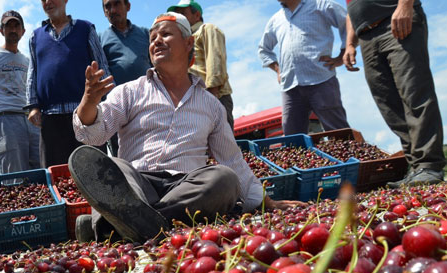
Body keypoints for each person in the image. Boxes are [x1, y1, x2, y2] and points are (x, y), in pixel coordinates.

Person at [70, 12, 304, 243]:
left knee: (224, 178)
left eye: (165, 35)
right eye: (152, 38)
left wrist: (267, 203)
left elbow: (232, 160)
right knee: (112, 167)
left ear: (189, 42)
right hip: (137, 185)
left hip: (185, 190)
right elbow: (92, 135)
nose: (156, 41)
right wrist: (88, 102)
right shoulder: (129, 92)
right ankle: (141, 220)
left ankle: (126, 223)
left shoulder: (211, 105)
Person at [343, 0, 445, 186]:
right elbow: (350, 10)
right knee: (388, 104)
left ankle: (429, 164)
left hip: (395, 20)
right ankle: (416, 167)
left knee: (414, 92)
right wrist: (350, 43)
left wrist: (405, 5)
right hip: (366, 36)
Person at [26, 0, 110, 168]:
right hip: (50, 118)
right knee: (55, 175)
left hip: (86, 115)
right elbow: (32, 73)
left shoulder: (86, 29)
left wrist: (107, 101)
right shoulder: (36, 36)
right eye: (43, 0)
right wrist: (33, 106)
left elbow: (101, 65)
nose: (48, 2)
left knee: (93, 172)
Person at [258, 0, 350, 135]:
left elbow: (348, 22)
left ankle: (349, 156)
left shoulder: (321, 5)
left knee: (338, 132)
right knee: (292, 138)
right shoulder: (276, 19)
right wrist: (278, 69)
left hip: (321, 80)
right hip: (290, 87)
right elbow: (263, 49)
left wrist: (343, 53)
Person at [0, 10, 40, 174]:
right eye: (8, 26)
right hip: (7, 118)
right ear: (2, 30)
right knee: (14, 173)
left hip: (31, 119)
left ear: (23, 31)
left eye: (16, 26)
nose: (13, 30)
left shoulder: (28, 60)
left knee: (39, 170)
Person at [168, 0, 235, 129]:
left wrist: (212, 95)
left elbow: (215, 60)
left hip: (214, 97)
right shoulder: (184, 41)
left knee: (221, 145)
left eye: (183, 13)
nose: (179, 18)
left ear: (197, 15)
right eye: (177, 15)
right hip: (196, 101)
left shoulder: (206, 29)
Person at [100, 0, 151, 155]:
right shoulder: (100, 38)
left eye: (116, 4)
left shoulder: (146, 34)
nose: (112, 10)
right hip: (118, 108)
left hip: (147, 103)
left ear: (128, 6)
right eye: (107, 6)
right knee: (122, 156)